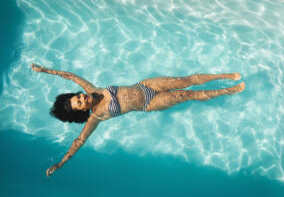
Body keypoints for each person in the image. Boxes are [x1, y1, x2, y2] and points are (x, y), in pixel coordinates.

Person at [31, 63, 245, 177]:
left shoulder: (92, 89)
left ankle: (224, 75)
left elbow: (71, 76)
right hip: (149, 104)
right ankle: (229, 90)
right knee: (185, 94)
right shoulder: (97, 117)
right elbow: (79, 142)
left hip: (145, 85)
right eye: (80, 103)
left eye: (77, 96)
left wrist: (46, 70)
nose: (82, 97)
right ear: (81, 111)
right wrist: (60, 163)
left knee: (184, 80)